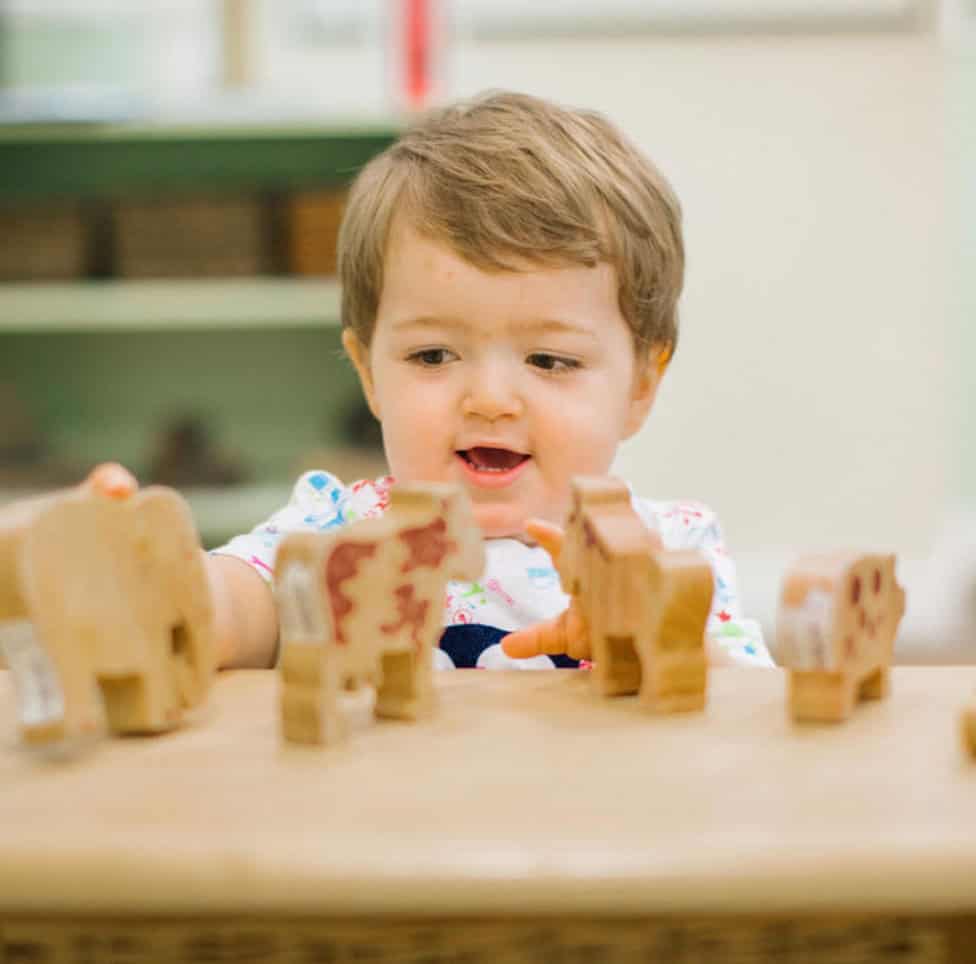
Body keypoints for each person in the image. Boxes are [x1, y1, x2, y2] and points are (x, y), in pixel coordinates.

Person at [89, 90, 773, 671]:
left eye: (549, 361)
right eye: (434, 356)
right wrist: (141, 587)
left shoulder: (669, 550)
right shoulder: (338, 530)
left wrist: (659, 636)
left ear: (639, 388)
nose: (490, 400)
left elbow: (745, 717)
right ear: (370, 374)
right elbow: (235, 605)